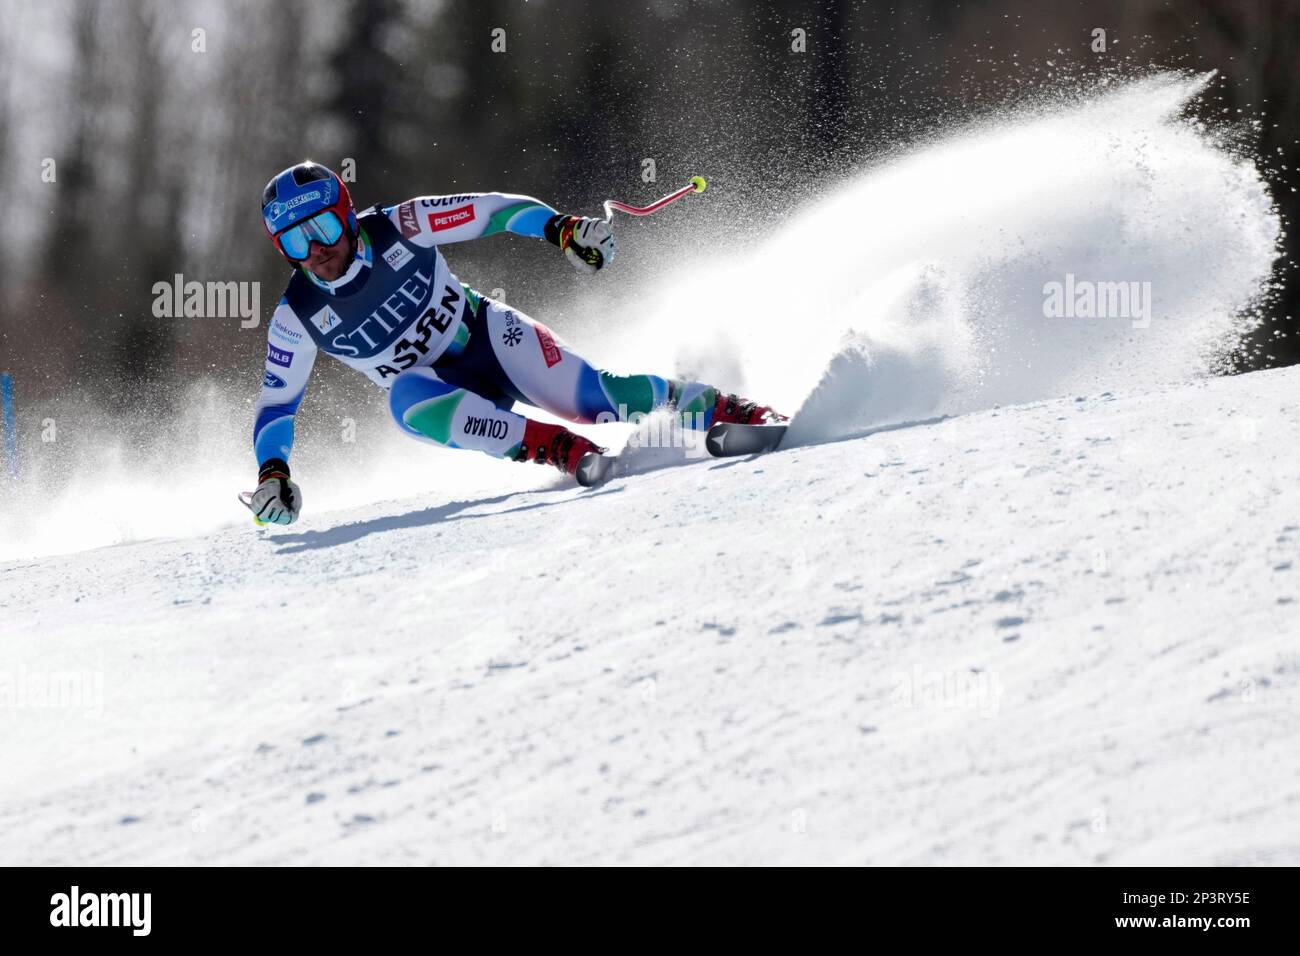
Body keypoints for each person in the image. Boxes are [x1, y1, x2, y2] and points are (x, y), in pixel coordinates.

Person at [247, 161, 783, 525]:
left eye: (320, 228)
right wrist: (273, 472)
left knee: (597, 400)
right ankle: (558, 449)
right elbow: (277, 406)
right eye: (294, 241)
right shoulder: (297, 316)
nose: (315, 249)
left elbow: (495, 209)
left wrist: (562, 229)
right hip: (441, 394)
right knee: (404, 400)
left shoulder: (401, 226)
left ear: (344, 214)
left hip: (489, 338)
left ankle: (730, 410)